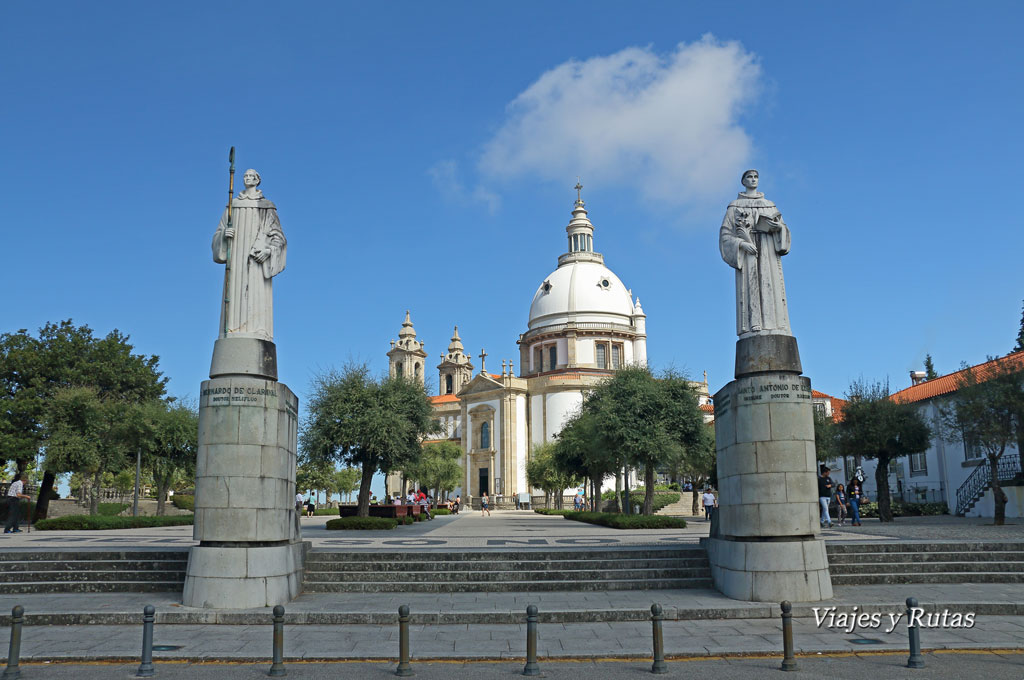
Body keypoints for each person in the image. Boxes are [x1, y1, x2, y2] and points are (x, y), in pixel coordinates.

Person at [212, 168, 287, 340]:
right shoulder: (232, 206)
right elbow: (219, 231)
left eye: (251, 176)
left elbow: (279, 237)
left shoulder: (266, 207)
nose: (248, 178)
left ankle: (259, 328)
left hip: (257, 263)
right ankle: (231, 328)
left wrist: (268, 251)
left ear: (258, 180)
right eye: (245, 176)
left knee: (256, 294)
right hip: (236, 260)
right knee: (233, 296)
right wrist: (224, 235)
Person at [719, 169, 792, 337]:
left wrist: (778, 228)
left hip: (768, 251)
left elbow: (784, 229)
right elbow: (725, 235)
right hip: (749, 254)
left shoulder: (769, 204)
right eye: (749, 177)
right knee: (751, 288)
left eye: (755, 177)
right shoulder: (734, 206)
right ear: (743, 181)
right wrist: (742, 244)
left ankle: (777, 325)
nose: (753, 180)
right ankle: (754, 325)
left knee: (771, 285)